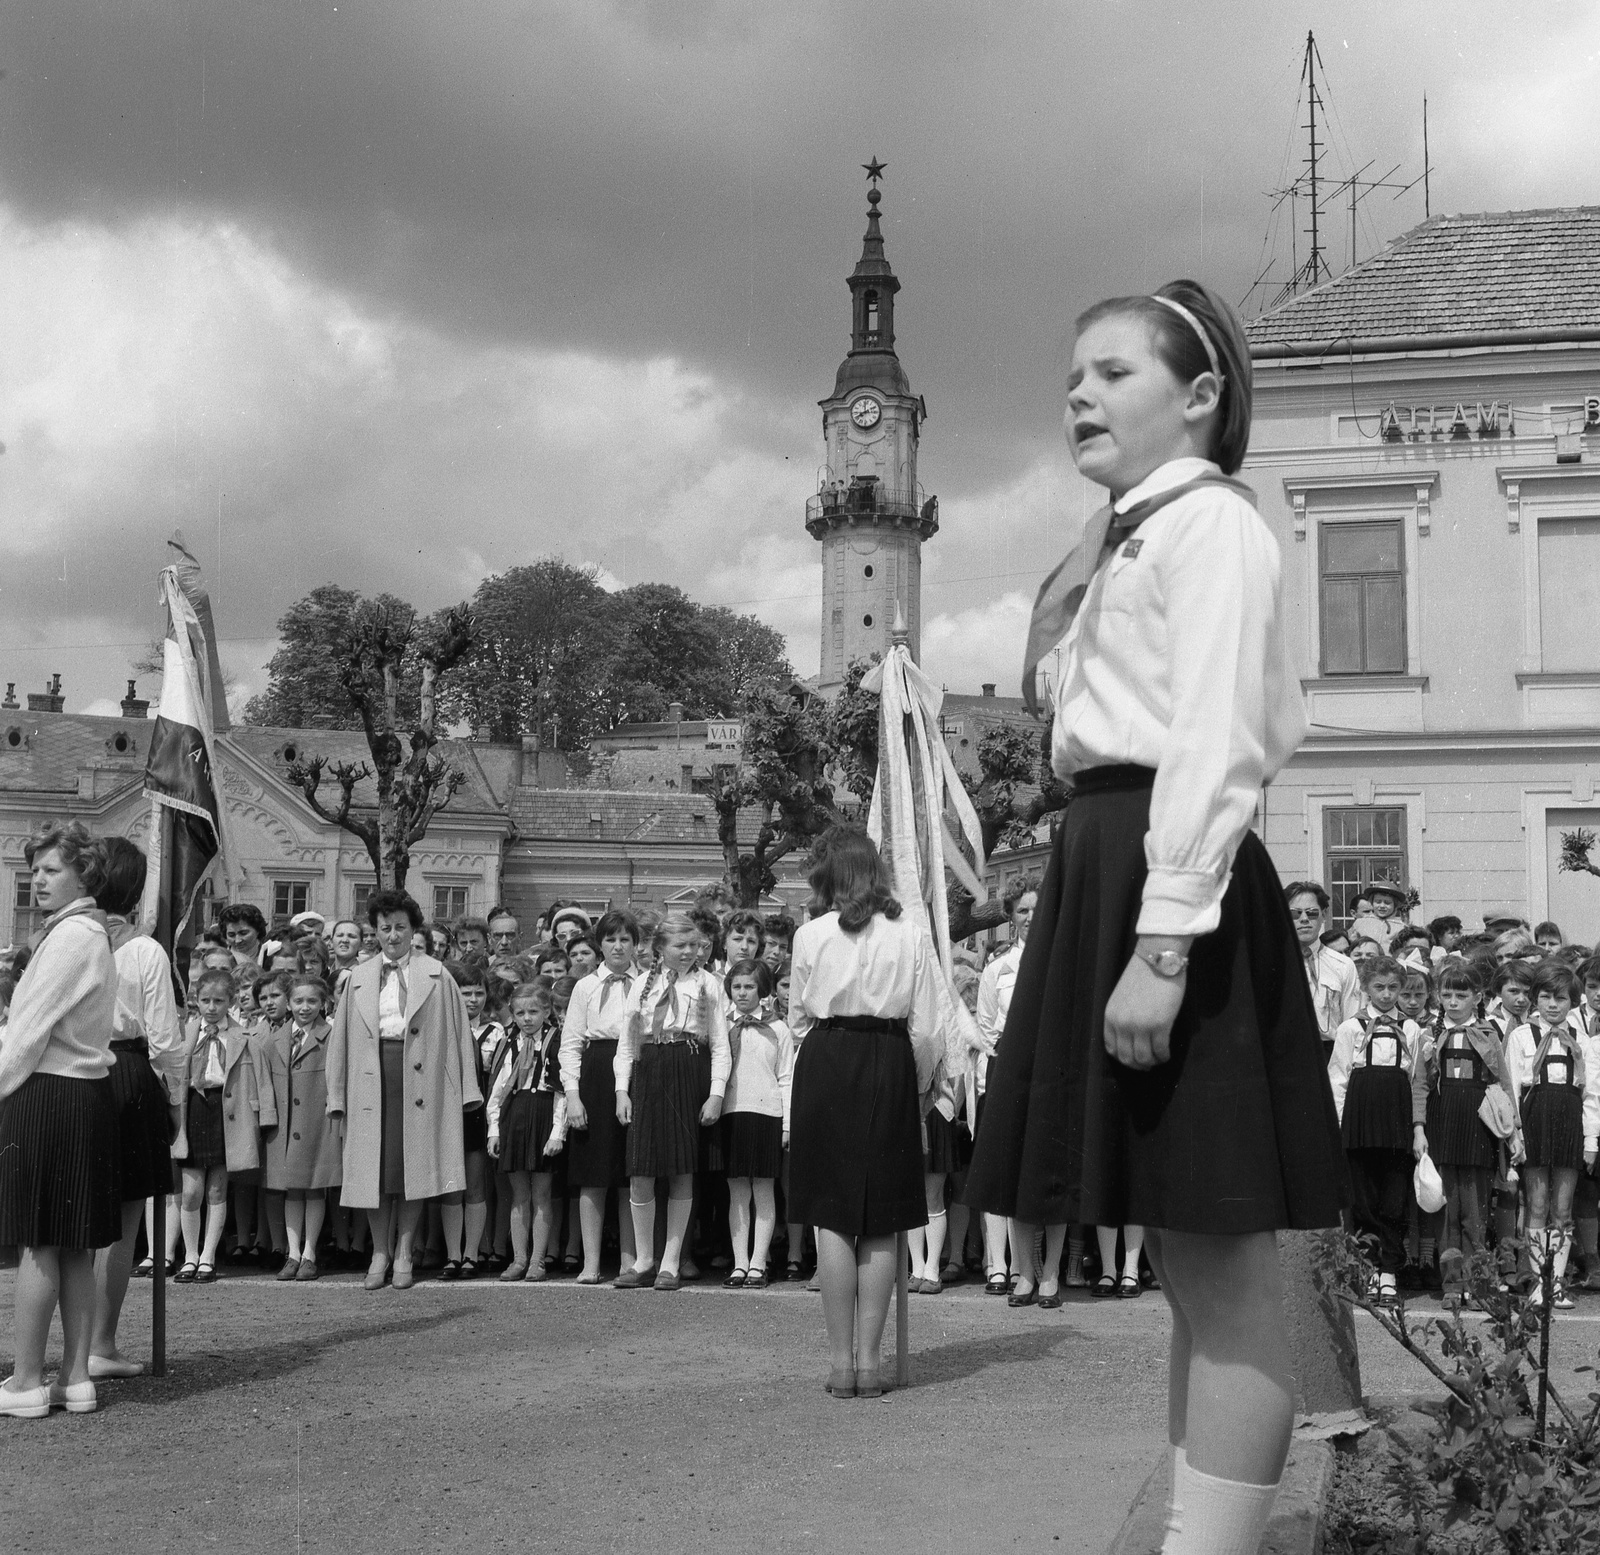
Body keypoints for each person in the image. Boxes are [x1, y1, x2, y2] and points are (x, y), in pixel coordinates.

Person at [963, 280, 1347, 1546]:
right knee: (1187, 1265)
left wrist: (1164, 940)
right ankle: (1197, 1530)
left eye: (1113, 372)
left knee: (1227, 1266)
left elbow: (1216, 737)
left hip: (1162, 872)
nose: (1079, 392)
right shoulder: (1124, 536)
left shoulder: (1208, 528)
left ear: (1198, 398)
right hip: (1107, 856)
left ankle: (1210, 1545)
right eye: (1074, 374)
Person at [788, 826, 946, 1400]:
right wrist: (924, 1084)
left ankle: (840, 1364)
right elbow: (928, 1026)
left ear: (831, 877)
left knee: (832, 1212)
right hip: (887, 1058)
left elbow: (798, 1020)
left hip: (827, 1057)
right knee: (880, 1215)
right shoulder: (911, 935)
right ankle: (871, 1363)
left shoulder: (809, 935)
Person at [0, 822, 121, 1419]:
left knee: (41, 1241)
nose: (38, 879)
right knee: (73, 1245)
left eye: (51, 870)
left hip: (49, 1095)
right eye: (36, 870)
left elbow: (25, 1034)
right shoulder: (86, 934)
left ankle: (25, 1381)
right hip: (82, 1097)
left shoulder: (72, 936)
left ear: (83, 874)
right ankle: (75, 1379)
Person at [326, 890, 482, 1291]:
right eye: (384, 928)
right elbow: (341, 1040)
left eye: (400, 927)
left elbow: (458, 1036)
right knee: (375, 1172)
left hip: (420, 1082)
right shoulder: (357, 978)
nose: (392, 936)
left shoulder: (437, 974)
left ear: (413, 929)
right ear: (374, 933)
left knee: (411, 1168)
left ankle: (405, 1251)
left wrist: (465, 1090)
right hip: (370, 1080)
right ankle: (380, 1250)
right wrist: (337, 1096)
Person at [90, 838, 185, 1379]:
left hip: (77, 1073)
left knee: (83, 1219)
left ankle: (89, 1343)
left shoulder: (64, 940)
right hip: (128, 1072)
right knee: (124, 1220)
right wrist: (175, 1100)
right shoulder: (145, 951)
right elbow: (166, 1041)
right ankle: (101, 1341)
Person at [613, 914, 730, 1291]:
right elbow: (627, 1043)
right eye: (680, 946)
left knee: (682, 1170)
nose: (688, 952)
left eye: (694, 946)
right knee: (641, 1170)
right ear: (660, 949)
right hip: (650, 1070)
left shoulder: (708, 983)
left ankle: (671, 1261)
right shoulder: (642, 986)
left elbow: (720, 1044)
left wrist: (716, 1093)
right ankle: (644, 1258)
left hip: (688, 1067)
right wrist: (621, 1089)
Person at [1327, 956, 1422, 1305]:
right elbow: (1338, 1078)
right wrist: (1339, 1126)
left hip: (1395, 1120)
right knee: (1363, 1200)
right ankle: (1367, 1269)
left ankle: (1389, 1272)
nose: (1386, 994)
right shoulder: (1351, 1028)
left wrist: (1415, 1127)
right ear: (1366, 989)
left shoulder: (1410, 1030)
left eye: (1393, 988)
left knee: (1394, 1200)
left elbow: (1415, 1081)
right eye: (1379, 988)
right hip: (1360, 1120)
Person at [1506, 960, 1599, 1309]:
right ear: (1534, 999)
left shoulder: (1582, 1043)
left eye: (1560, 998)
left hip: (1570, 1124)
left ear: (1572, 1002)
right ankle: (1538, 1283)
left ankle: (1557, 1281)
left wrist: (1590, 1143)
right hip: (1534, 1123)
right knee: (1537, 1205)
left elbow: (1591, 1097)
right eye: (1545, 997)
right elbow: (1513, 1089)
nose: (1552, 1005)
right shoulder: (1520, 1036)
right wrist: (1516, 1136)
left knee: (1563, 1209)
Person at [1411, 960, 1504, 1305]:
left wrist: (1514, 1133)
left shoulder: (1490, 1033)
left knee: (1476, 1211)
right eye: (1447, 994)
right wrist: (1419, 1130)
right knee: (1447, 1210)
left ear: (1477, 997)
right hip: (1442, 1126)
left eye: (1461, 994)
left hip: (1479, 1127)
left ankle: (1478, 1284)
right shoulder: (1429, 1035)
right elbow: (1420, 1086)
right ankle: (1452, 1284)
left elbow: (1502, 1083)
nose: (1453, 1001)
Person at [175, 967, 275, 1284]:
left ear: (230, 1001)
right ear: (197, 1000)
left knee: (217, 1188)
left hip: (227, 1112)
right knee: (190, 1191)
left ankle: (207, 1258)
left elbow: (261, 1082)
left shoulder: (245, 1037)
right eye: (206, 1000)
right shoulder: (185, 1033)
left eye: (219, 1000)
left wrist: (265, 1118)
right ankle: (189, 1256)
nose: (212, 1007)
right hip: (193, 1111)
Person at [974, 879, 1037, 1292]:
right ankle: (999, 1264)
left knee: (1033, 1171)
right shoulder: (997, 970)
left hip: (1044, 1074)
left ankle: (1031, 1269)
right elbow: (984, 1031)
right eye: (1022, 912)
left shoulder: (1061, 964)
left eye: (1036, 910)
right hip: (1004, 1072)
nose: (1030, 918)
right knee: (1000, 1171)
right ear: (1011, 918)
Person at [259, 974, 340, 1281]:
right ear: (288, 1003)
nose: (304, 1007)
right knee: (291, 1189)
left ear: (323, 1003)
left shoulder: (331, 1035)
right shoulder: (274, 1038)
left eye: (312, 1001)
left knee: (314, 1187)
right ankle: (292, 1253)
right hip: (284, 1123)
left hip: (317, 1122)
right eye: (298, 1001)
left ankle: (310, 1253)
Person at [720, 959, 793, 1289]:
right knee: (737, 1190)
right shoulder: (723, 1027)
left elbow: (786, 1078)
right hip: (732, 1113)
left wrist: (787, 1124)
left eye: (749, 986)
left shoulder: (779, 1029)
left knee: (763, 1189)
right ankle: (739, 1263)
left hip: (767, 1114)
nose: (742, 993)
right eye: (736, 986)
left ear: (763, 990)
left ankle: (758, 1263)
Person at [487, 981, 565, 1281]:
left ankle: (538, 1260)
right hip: (515, 1116)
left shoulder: (555, 1041)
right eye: (520, 1013)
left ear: (546, 1011)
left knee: (542, 1192)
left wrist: (558, 1133)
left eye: (533, 1011)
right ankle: (518, 1259)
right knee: (519, 1194)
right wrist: (494, 1129)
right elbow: (499, 1089)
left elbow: (561, 1091)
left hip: (543, 1114)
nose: (527, 1018)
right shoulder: (509, 1042)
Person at [445, 960, 496, 1280]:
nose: (473, 999)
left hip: (478, 1114)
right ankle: (452, 1255)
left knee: (476, 1185)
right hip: (448, 1114)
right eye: (465, 993)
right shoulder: (443, 1030)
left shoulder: (495, 1033)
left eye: (479, 993)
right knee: (451, 1188)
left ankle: (472, 1255)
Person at [1286, 882, 1362, 1063]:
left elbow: (1351, 1023)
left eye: (1311, 912)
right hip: (1283, 1056)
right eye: (1295, 913)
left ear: (1324, 914)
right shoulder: (1270, 964)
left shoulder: (1343, 965)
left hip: (1329, 1055)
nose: (1304, 919)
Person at [1349, 885, 1407, 950]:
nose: (1382, 905)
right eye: (1378, 902)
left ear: (1395, 905)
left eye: (1387, 903)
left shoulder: (1401, 927)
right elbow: (1351, 944)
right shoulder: (1360, 923)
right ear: (1372, 903)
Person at [219, 903, 268, 971]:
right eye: (231, 935)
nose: (237, 940)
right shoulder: (217, 959)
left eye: (243, 933)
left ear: (258, 930)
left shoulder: (270, 957)